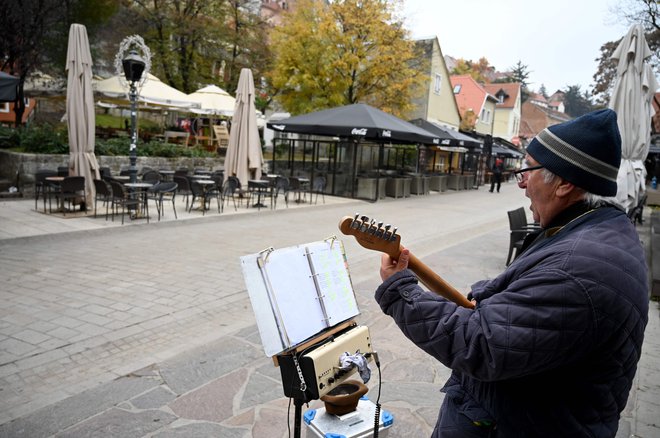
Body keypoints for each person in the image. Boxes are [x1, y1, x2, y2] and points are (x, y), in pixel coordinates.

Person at [375, 109, 648, 437]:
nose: (520, 182)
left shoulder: (580, 270)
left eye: (528, 170)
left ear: (564, 183)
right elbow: (523, 319)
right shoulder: (589, 233)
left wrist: (400, 290)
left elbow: (482, 344)